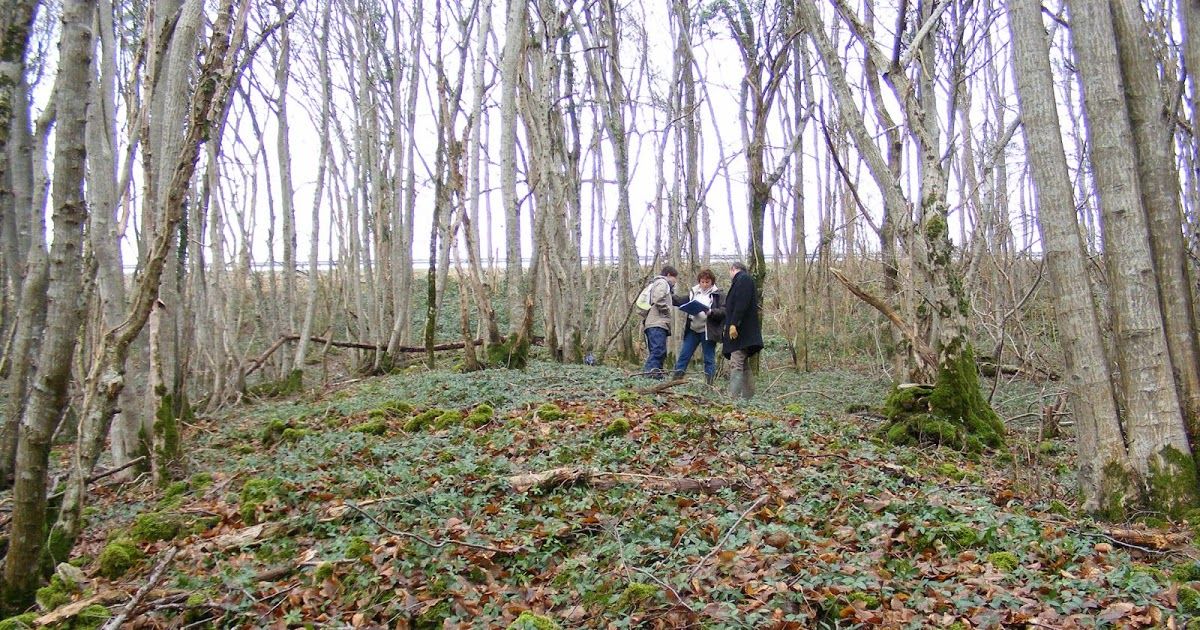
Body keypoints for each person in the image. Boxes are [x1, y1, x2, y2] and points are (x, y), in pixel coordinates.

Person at [671, 269, 723, 384]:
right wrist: (669, 293)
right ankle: (674, 382)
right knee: (684, 356)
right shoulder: (693, 292)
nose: (704, 284)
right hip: (692, 330)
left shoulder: (718, 295)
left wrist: (711, 312)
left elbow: (724, 311)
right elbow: (680, 301)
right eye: (702, 282)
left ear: (712, 282)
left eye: (707, 282)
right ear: (699, 281)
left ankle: (709, 385)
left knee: (709, 359)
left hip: (707, 331)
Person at [721, 261, 763, 399]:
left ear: (733, 269)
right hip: (743, 333)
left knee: (736, 363)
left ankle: (733, 398)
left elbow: (741, 302)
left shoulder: (743, 279)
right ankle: (748, 398)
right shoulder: (744, 280)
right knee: (744, 365)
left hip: (741, 333)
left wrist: (734, 323)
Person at [641, 265, 679, 378]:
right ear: (668, 275)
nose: (675, 281)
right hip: (657, 323)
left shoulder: (657, 283)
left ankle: (657, 375)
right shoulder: (662, 283)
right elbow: (658, 298)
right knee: (658, 351)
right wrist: (666, 311)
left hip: (654, 323)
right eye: (675, 278)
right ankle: (650, 375)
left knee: (659, 351)